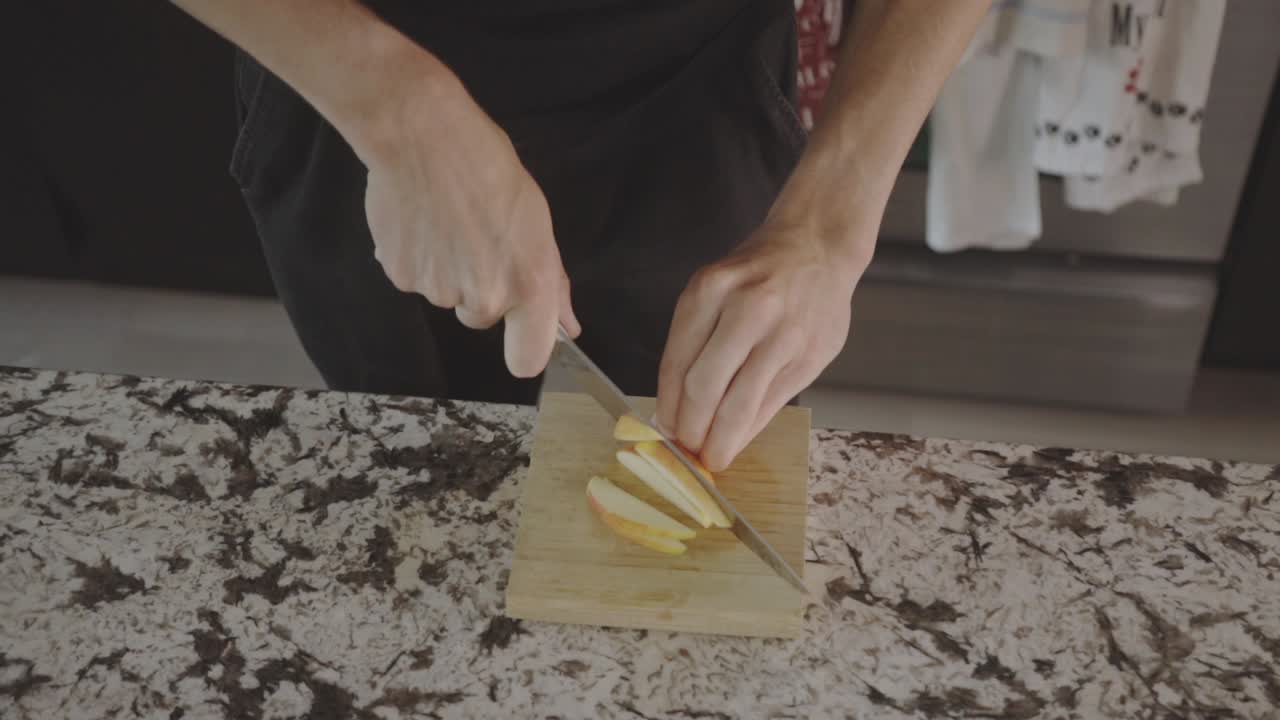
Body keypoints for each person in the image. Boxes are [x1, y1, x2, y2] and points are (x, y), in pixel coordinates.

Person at [172, 0, 989, 472]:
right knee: (420, 475)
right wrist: (395, 106)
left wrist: (831, 218)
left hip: (701, 99)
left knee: (713, 439)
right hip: (350, 81)